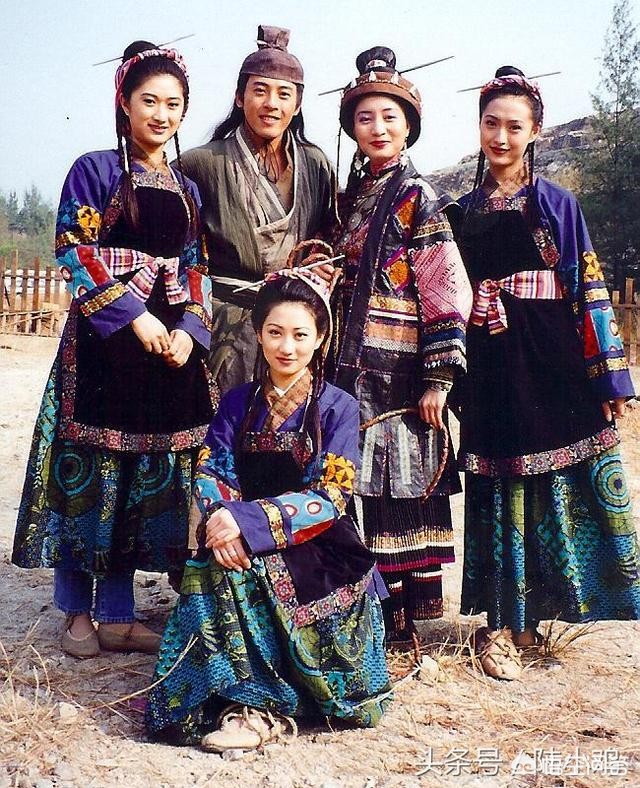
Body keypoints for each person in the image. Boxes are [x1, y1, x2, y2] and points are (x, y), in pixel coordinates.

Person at [12, 41, 214, 658]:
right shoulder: (94, 170)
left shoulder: (187, 188)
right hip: (102, 350)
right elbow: (73, 249)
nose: (161, 114)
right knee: (87, 477)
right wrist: (134, 316)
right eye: (149, 101)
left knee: (133, 482)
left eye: (173, 104)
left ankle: (119, 616)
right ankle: (76, 612)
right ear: (124, 103)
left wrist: (189, 331)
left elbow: (195, 267)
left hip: (164, 351)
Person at [145, 270, 391, 751]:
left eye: (300, 335)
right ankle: (232, 699)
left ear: (320, 339)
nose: (287, 347)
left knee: (247, 576)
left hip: (319, 545)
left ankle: (259, 710)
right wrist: (221, 520)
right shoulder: (238, 401)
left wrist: (245, 522)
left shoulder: (338, 407)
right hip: (237, 533)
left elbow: (331, 495)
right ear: (258, 334)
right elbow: (212, 470)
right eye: (275, 332)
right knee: (211, 570)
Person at [456, 66, 640, 679]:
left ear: (535, 131)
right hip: (490, 362)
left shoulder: (558, 204)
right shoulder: (461, 212)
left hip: (552, 361)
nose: (500, 137)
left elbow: (588, 287)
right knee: (499, 485)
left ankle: (536, 618)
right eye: (491, 124)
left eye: (514, 126)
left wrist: (608, 378)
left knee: (552, 486)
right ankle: (498, 626)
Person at [329, 47, 473, 643]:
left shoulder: (418, 195)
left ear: (409, 125)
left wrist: (438, 378)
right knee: (359, 487)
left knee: (401, 490)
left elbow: (445, 284)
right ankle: (372, 614)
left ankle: (408, 623)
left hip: (403, 371)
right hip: (349, 364)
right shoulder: (349, 197)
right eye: (365, 118)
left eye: (390, 116)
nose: (378, 127)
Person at [177, 25, 336, 394]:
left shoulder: (316, 164)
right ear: (239, 97)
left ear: (297, 105)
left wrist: (319, 263)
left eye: (284, 94)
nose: (271, 104)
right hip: (223, 326)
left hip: (291, 330)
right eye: (260, 91)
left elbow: (329, 235)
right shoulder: (201, 163)